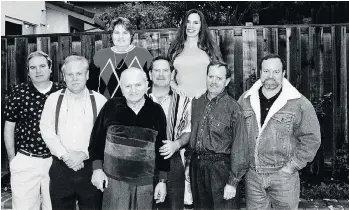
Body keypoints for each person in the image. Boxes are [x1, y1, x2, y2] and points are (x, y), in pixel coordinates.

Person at [238, 54, 321, 210]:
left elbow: (312, 138)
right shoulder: (245, 100)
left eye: (276, 72)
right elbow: (236, 134)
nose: (270, 76)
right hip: (253, 177)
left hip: (284, 177)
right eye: (266, 71)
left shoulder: (299, 103)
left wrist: (292, 166)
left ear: (283, 74)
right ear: (260, 73)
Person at [88, 67, 170, 210]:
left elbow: (162, 149)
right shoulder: (111, 107)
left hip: (145, 184)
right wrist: (97, 170)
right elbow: (96, 141)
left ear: (146, 85)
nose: (133, 90)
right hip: (114, 183)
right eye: (128, 86)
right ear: (121, 87)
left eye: (138, 85)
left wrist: (162, 181)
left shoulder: (156, 111)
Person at [40, 55, 107, 210]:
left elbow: (104, 135)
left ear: (87, 75)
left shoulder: (100, 100)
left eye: (79, 73)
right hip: (60, 168)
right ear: (64, 76)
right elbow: (47, 130)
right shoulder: (53, 99)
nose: (75, 78)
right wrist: (65, 156)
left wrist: (84, 153)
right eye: (70, 74)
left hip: (90, 168)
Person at [3, 51, 64, 210]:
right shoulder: (18, 92)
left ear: (50, 68)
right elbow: (9, 127)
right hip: (26, 160)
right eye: (33, 67)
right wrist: (13, 159)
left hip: (56, 161)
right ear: (28, 72)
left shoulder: (62, 92)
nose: (38, 71)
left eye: (42, 66)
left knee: (54, 207)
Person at [186, 61, 249, 210]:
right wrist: (189, 165)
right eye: (211, 76)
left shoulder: (233, 108)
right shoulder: (195, 103)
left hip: (220, 168)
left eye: (219, 78)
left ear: (226, 81)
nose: (213, 81)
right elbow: (190, 135)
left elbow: (240, 146)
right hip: (197, 166)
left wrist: (233, 182)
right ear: (206, 77)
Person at [148, 56, 192, 210]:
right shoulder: (139, 98)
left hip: (172, 159)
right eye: (156, 70)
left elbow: (188, 131)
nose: (161, 74)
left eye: (165, 70)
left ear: (172, 74)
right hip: (144, 161)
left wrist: (176, 144)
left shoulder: (184, 101)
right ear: (150, 74)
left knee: (173, 206)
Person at [88, 17, 153, 99]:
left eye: (125, 33)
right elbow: (91, 86)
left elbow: (151, 84)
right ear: (111, 35)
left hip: (136, 108)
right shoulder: (100, 56)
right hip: (107, 109)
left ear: (131, 35)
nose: (121, 37)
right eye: (117, 33)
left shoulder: (143, 54)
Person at [167, 9, 222, 98]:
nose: (191, 26)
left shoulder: (210, 48)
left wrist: (207, 91)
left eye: (195, 23)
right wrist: (176, 88)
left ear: (201, 27)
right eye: (188, 22)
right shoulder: (175, 48)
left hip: (206, 101)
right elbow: (167, 77)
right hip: (180, 102)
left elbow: (220, 75)